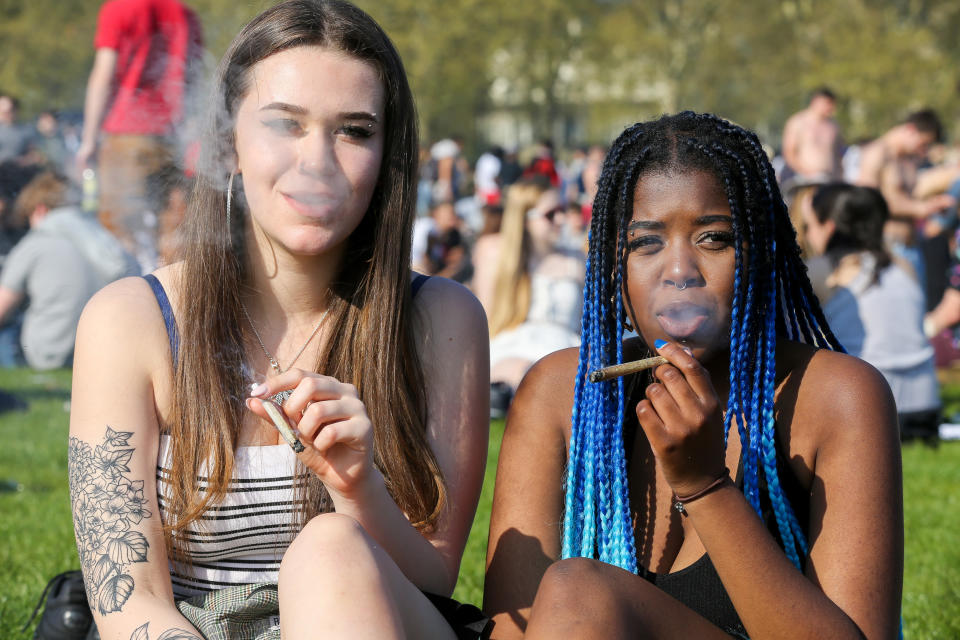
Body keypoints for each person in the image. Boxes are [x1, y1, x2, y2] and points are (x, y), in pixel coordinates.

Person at [68, 3, 490, 640]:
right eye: (284, 125)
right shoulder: (130, 321)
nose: (317, 161)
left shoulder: (442, 318)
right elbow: (125, 601)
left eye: (353, 131)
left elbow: (432, 582)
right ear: (228, 141)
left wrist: (356, 488)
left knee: (329, 552)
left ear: (387, 157)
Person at [484, 112, 902, 639]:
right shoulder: (559, 393)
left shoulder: (837, 396)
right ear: (615, 264)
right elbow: (508, 630)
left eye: (714, 239)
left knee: (580, 589)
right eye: (646, 243)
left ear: (762, 255)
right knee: (576, 591)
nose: (679, 272)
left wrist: (705, 486)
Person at [803, 183, 940, 441]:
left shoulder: (823, 270)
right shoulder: (904, 265)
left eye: (811, 226)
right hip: (924, 407)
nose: (808, 236)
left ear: (829, 227)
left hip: (865, 408)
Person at [76, 0, 204, 270]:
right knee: (170, 230)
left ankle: (129, 301)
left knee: (122, 230)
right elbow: (193, 81)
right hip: (170, 137)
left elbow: (103, 73)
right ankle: (169, 297)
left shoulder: (120, 8)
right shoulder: (186, 15)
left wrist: (88, 140)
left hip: (127, 136)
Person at [0, 172, 134, 369]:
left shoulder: (35, 244)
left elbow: (3, 307)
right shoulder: (100, 239)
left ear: (40, 210)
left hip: (48, 354)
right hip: (101, 351)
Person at [472, 179, 584, 406]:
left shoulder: (576, 259)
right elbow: (484, 316)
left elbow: (585, 323)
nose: (561, 219)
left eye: (563, 210)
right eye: (551, 214)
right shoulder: (497, 253)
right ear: (524, 219)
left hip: (564, 346)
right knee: (522, 372)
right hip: (514, 345)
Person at [856, 109, 956, 286]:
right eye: (923, 143)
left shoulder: (908, 159)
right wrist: (922, 209)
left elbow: (912, 194)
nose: (923, 150)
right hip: (886, 248)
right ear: (910, 129)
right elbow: (867, 201)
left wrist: (934, 203)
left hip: (912, 246)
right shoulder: (877, 153)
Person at [780, 87, 844, 187]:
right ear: (816, 101)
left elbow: (838, 154)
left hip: (830, 180)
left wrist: (840, 178)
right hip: (803, 180)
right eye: (828, 103)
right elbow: (789, 152)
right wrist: (806, 172)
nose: (831, 107)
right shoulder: (798, 122)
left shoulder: (833, 126)